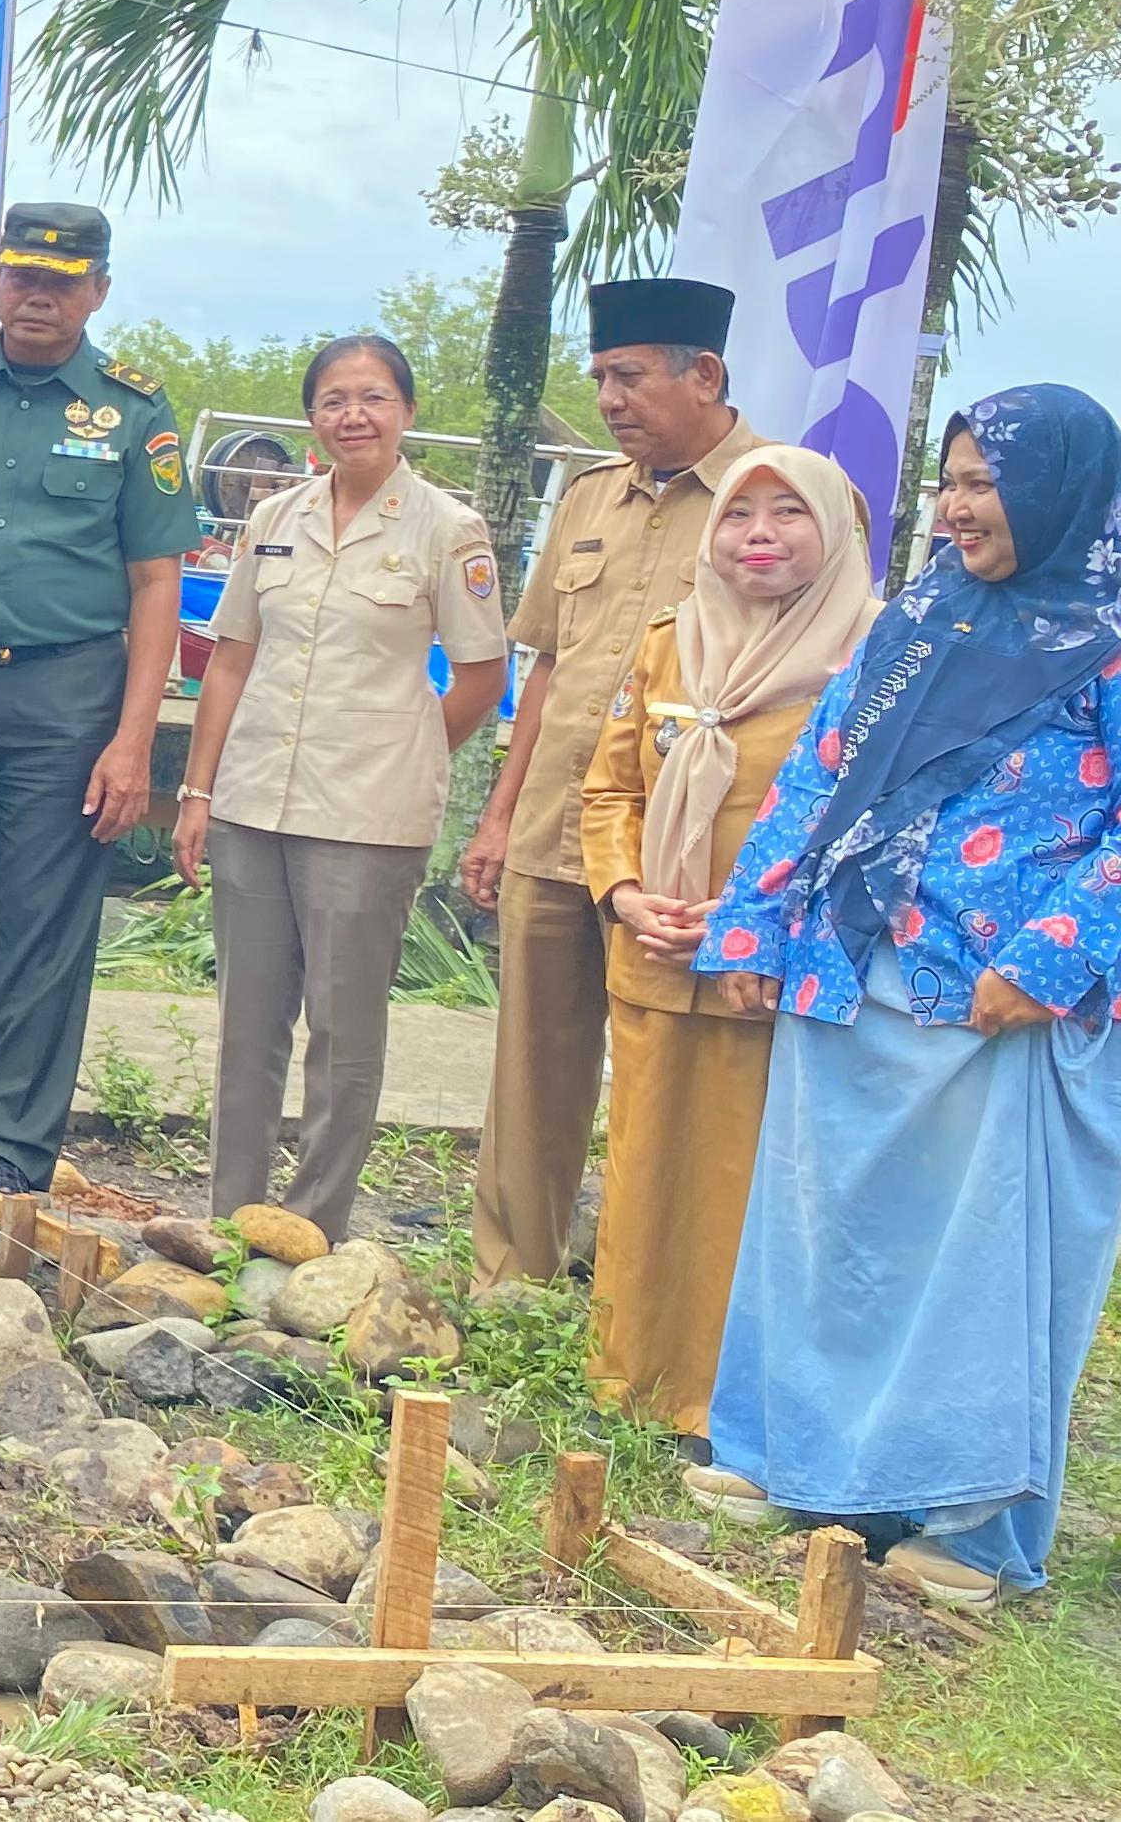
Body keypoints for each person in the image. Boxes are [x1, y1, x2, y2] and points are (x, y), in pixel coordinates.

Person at [692, 391, 1121, 1610]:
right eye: (951, 481)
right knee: (831, 1233)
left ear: (1057, 491)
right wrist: (756, 923)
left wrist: (1044, 960)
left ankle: (971, 1523)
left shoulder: (1110, 633)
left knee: (978, 1258)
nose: (958, 506)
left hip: (1005, 1008)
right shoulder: (922, 617)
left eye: (985, 483)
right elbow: (821, 776)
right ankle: (800, 1462)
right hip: (859, 971)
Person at [456, 277, 762, 1284]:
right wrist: (499, 817)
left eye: (628, 376)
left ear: (704, 374)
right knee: (532, 1070)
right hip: (556, 826)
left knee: (665, 1076)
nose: (609, 399)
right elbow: (544, 667)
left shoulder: (776, 498)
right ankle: (511, 1285)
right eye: (599, 379)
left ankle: (641, 1298)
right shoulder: (590, 498)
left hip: (682, 846)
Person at [171, 336, 510, 1237]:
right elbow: (231, 659)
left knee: (343, 1032)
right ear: (311, 416)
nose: (351, 415)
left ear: (406, 410)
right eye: (332, 399)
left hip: (368, 816)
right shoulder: (274, 518)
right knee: (248, 1026)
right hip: (253, 800)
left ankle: (313, 1225)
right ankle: (231, 1220)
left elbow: (481, 675)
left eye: (371, 397)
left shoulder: (448, 530)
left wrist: (406, 749)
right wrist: (197, 792)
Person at [574, 444, 872, 1442]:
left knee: (751, 1190)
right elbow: (613, 785)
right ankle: (628, 1385)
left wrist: (761, 918)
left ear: (837, 531)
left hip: (772, 975)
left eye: (790, 515)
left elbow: (870, 824)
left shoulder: (871, 660)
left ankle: (727, 1404)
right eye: (743, 516)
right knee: (646, 1169)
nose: (760, 536)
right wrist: (622, 892)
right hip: (657, 957)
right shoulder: (671, 644)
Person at [0, 204, 193, 1194]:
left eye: (63, 282)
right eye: (23, 276)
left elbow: (158, 584)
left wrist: (132, 741)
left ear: (99, 291)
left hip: (69, 693)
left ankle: (14, 1150)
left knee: (39, 924)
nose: (39, 296)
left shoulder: (134, 413)